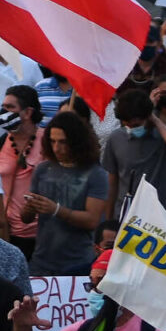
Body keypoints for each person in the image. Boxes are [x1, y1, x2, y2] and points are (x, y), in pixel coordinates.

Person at [22, 111, 111, 276]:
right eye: (52, 141)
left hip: (78, 264)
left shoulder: (96, 174)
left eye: (63, 142)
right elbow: (25, 219)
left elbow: (92, 220)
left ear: (77, 142)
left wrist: (56, 210)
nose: (57, 148)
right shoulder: (42, 170)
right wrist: (30, 207)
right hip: (41, 262)